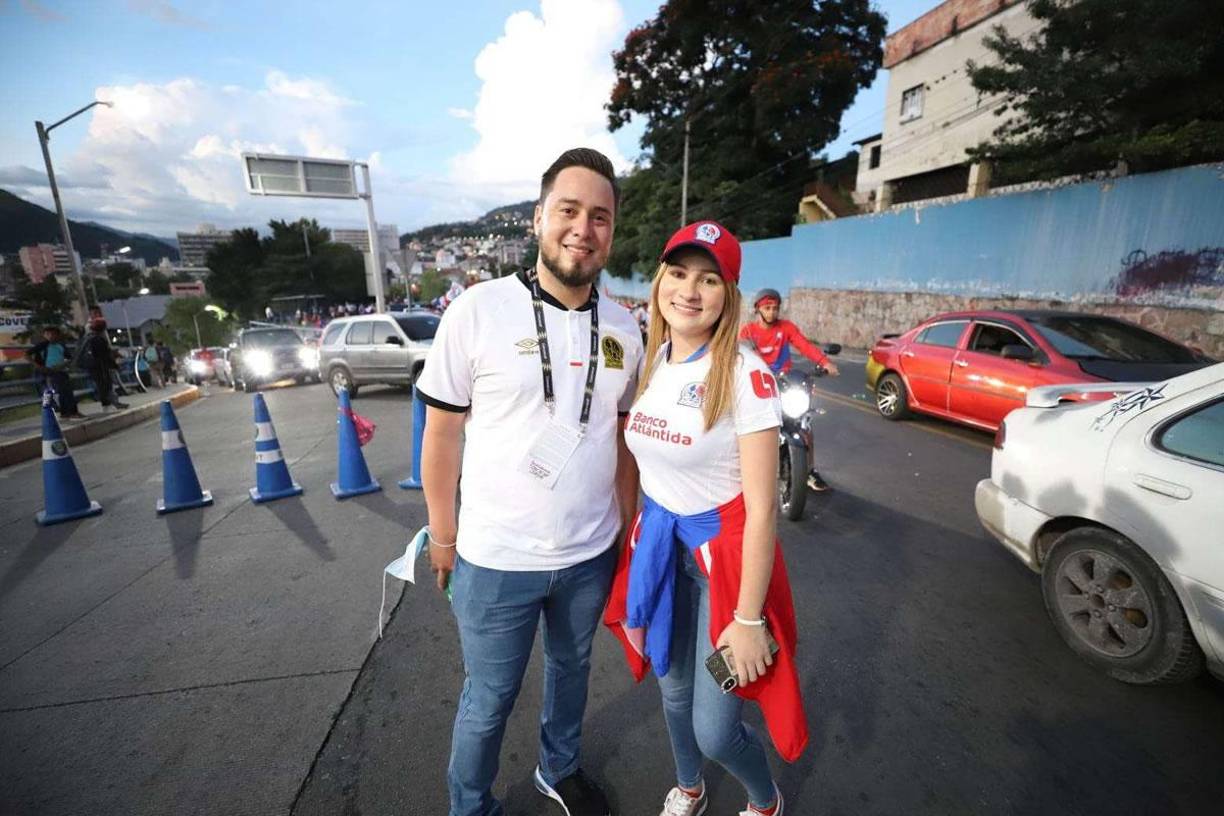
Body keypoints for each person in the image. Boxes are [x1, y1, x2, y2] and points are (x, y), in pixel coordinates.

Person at [417, 147, 644, 816]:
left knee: (572, 675)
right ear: (539, 218)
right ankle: (470, 805)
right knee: (488, 700)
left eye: (599, 216)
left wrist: (627, 530)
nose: (583, 228)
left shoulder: (627, 327)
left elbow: (622, 438)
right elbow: (441, 432)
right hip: (495, 557)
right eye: (569, 211)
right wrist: (442, 533)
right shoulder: (479, 310)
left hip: (589, 551)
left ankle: (559, 768)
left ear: (611, 231)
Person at [604, 221, 807, 816]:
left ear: (729, 293)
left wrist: (748, 619)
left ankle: (764, 800)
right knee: (671, 687)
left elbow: (764, 507)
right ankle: (689, 787)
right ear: (660, 280)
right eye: (679, 273)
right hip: (661, 549)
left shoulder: (745, 375)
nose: (690, 290)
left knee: (718, 728)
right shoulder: (655, 357)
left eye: (709, 279)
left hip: (723, 564)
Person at [738, 288, 839, 492]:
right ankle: (738, 467)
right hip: (758, 386)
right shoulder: (747, 332)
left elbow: (804, 345)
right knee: (740, 424)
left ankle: (808, 470)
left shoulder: (786, 328)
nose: (772, 312)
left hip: (785, 382)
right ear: (758, 309)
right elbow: (737, 354)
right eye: (767, 308)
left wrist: (824, 362)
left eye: (775, 308)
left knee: (803, 425)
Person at [27, 325, 84, 420]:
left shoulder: (60, 345)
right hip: (49, 371)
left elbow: (69, 357)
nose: (50, 336)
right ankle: (67, 412)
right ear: (44, 335)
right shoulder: (43, 345)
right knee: (60, 391)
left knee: (67, 391)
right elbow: (26, 354)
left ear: (57, 335)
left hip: (61, 370)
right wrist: (38, 366)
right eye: (48, 334)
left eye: (53, 334)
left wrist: (64, 364)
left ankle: (69, 412)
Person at [81, 319, 128, 410]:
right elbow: (105, 355)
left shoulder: (88, 338)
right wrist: (114, 365)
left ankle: (110, 403)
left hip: (92, 366)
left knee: (101, 385)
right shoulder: (99, 339)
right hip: (101, 366)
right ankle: (108, 404)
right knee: (105, 385)